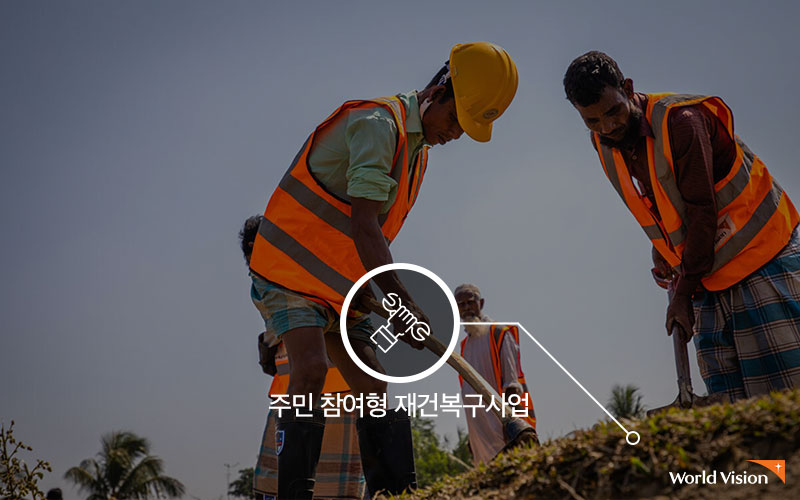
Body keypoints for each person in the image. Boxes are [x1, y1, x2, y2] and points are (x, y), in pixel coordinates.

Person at [248, 43, 519, 499]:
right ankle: (295, 493)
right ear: (437, 92)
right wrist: (400, 303)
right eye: (455, 120)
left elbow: (374, 236)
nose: (455, 133)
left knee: (373, 384)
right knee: (311, 369)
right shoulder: (379, 126)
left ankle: (394, 493)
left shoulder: (418, 151)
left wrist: (384, 298)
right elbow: (365, 225)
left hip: (338, 286)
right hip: (289, 273)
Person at [563, 51, 800, 402]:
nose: (607, 126)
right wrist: (664, 253)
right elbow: (661, 202)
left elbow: (702, 209)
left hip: (762, 261)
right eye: (592, 120)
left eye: (613, 111)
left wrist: (684, 294)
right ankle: (767, 463)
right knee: (733, 412)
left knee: (786, 398)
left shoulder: (681, 121)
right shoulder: (605, 142)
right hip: (707, 275)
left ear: (627, 89)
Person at [240, 215, 366, 500]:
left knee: (322, 481)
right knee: (300, 479)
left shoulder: (292, 275)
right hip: (305, 396)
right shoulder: (271, 281)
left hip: (332, 393)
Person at [454, 284, 537, 464]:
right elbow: (470, 394)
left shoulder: (499, 333)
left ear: (481, 303)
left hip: (503, 433)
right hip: (481, 436)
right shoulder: (464, 347)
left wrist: (513, 427)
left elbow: (512, 386)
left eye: (470, 302)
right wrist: (473, 435)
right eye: (461, 304)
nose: (466, 308)